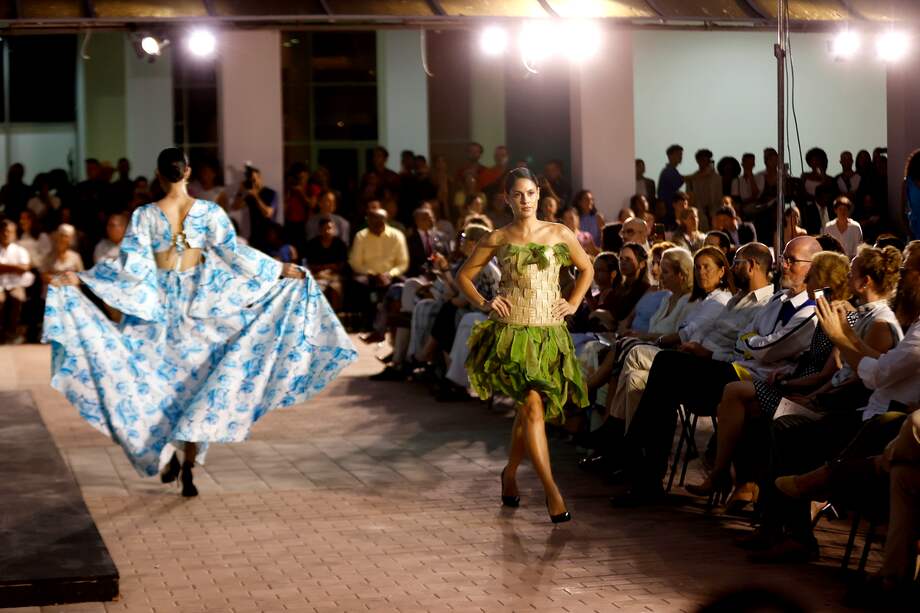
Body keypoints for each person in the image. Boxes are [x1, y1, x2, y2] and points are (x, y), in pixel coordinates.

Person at [43, 147, 356, 497]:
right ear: (188, 172)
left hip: (159, 308)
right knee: (199, 386)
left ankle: (166, 452)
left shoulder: (146, 214)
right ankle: (188, 463)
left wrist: (84, 279)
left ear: (159, 175)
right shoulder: (209, 212)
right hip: (199, 307)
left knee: (151, 382)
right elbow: (233, 255)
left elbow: (130, 265)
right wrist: (279, 269)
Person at [458, 167, 593, 523]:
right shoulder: (497, 237)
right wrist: (486, 303)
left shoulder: (559, 232)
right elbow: (464, 276)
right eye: (518, 194)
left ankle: (510, 474)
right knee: (533, 408)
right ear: (507, 199)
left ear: (539, 194)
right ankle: (552, 492)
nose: (525, 200)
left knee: (527, 413)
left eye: (530, 193)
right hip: (512, 334)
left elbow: (587, 269)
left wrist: (575, 302)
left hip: (549, 334)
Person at [0, 219, 35, 344]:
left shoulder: (20, 250)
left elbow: (25, 268)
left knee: (18, 298)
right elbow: (20, 268)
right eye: (4, 232)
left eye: (9, 232)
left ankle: (12, 332)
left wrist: (4, 267)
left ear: (14, 234)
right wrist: (15, 267)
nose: (6, 234)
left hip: (16, 284)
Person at [303, 217, 348, 311]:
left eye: (330, 228)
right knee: (317, 289)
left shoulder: (340, 244)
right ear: (320, 230)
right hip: (317, 275)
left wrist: (328, 269)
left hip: (335, 275)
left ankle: (336, 316)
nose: (328, 231)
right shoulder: (313, 244)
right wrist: (324, 269)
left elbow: (342, 264)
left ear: (334, 229)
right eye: (325, 229)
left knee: (335, 289)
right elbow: (310, 264)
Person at [685, 149, 722, 230]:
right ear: (697, 161)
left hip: (715, 214)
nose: (704, 162)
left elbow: (719, 198)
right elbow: (689, 200)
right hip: (699, 215)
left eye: (706, 159)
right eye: (701, 160)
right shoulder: (692, 179)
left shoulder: (717, 178)